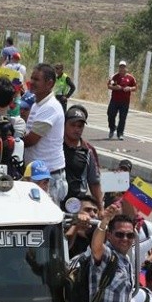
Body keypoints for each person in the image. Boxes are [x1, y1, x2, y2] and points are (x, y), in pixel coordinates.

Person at [23, 63, 67, 206]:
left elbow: (31, 140)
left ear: (50, 83)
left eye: (36, 79)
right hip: (36, 173)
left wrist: (10, 142)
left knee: (48, 221)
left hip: (49, 176)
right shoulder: (37, 104)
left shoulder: (50, 107)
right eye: (31, 78)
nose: (32, 83)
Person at [88, 207, 136, 302]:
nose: (125, 239)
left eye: (130, 235)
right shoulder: (107, 255)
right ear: (109, 235)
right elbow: (96, 246)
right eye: (119, 234)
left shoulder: (127, 261)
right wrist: (105, 221)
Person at [62, 105, 103, 207]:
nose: (76, 129)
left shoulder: (88, 151)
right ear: (64, 124)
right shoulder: (55, 145)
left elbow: (94, 182)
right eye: (72, 125)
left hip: (77, 206)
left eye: (80, 126)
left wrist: (100, 208)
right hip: (55, 202)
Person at [107, 60, 137, 140]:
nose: (122, 69)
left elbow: (135, 87)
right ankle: (112, 128)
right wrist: (115, 87)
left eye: (123, 67)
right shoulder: (114, 77)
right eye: (120, 67)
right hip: (115, 100)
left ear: (126, 68)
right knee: (110, 114)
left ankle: (120, 133)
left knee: (122, 118)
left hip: (125, 101)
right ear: (119, 68)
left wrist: (129, 88)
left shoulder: (130, 78)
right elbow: (109, 85)